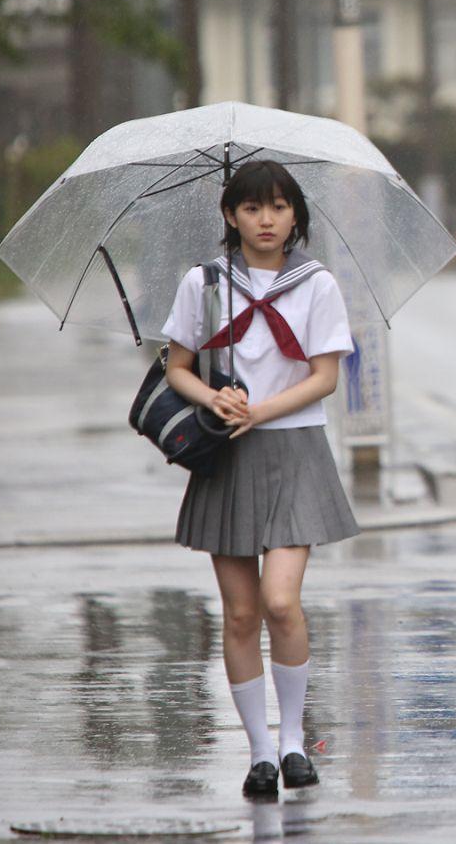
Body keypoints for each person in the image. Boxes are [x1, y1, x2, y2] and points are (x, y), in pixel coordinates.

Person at [161, 159, 360, 800]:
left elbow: (325, 376)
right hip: (227, 458)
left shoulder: (317, 284)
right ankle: (260, 753)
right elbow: (178, 368)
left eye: (277, 207)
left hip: (295, 451)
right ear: (230, 215)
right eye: (251, 208)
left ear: (295, 214)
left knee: (281, 602)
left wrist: (260, 410)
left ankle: (296, 739)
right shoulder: (205, 283)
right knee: (242, 613)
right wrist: (215, 402)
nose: (266, 219)